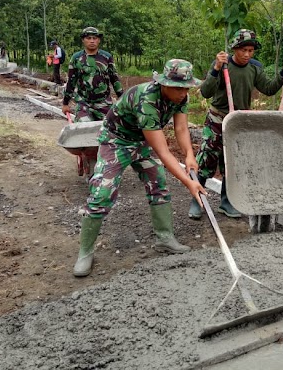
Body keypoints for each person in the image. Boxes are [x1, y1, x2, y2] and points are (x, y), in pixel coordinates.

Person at [73, 59, 206, 277]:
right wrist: (189, 182)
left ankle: (165, 238)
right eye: (178, 88)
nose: (183, 93)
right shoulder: (147, 100)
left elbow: (181, 127)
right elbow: (163, 151)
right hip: (117, 140)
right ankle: (85, 252)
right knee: (102, 193)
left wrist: (190, 155)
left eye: (186, 88)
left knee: (158, 182)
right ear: (164, 83)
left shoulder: (181, 96)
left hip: (141, 141)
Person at [188, 29, 283, 220]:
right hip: (218, 119)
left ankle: (227, 202)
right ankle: (196, 200)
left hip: (238, 122)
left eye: (250, 50)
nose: (247, 54)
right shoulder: (223, 65)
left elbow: (269, 89)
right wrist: (215, 69)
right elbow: (205, 92)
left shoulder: (254, 67)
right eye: (243, 50)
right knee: (207, 160)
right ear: (234, 49)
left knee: (233, 163)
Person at [61, 27, 123, 121]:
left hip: (104, 102)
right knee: (84, 128)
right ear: (83, 40)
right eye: (89, 38)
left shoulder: (106, 57)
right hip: (83, 103)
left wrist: (122, 98)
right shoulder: (76, 58)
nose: (92, 41)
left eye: (95, 38)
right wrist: (65, 103)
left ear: (99, 40)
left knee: (110, 129)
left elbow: (114, 79)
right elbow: (71, 82)